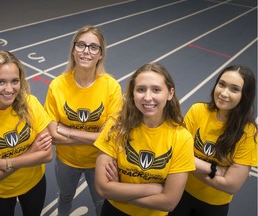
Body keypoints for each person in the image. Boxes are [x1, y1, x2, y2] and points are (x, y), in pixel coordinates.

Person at [94, 62, 196, 216]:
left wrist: (118, 190)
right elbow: (102, 188)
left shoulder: (182, 138)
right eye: (141, 89)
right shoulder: (116, 125)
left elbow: (169, 202)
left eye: (156, 90)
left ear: (170, 93)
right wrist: (153, 189)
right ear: (132, 94)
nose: (148, 97)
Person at [44, 25, 122, 216]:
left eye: (93, 47)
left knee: (100, 201)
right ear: (73, 50)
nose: (86, 51)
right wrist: (95, 136)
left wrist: (67, 130)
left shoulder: (111, 87)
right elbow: (53, 135)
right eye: (81, 45)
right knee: (65, 196)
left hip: (99, 161)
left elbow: (109, 138)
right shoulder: (57, 85)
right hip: (66, 160)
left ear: (100, 54)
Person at [0, 50, 53, 216]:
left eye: (15, 81)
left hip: (34, 184)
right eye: (0, 82)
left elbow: (47, 155)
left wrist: (4, 163)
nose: (10, 89)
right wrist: (30, 153)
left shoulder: (30, 103)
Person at [169, 65, 258, 216]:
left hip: (214, 205)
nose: (224, 93)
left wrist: (188, 164)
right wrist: (214, 170)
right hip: (181, 192)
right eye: (221, 84)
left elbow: (231, 185)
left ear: (245, 95)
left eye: (234, 89)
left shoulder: (249, 133)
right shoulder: (198, 111)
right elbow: (176, 155)